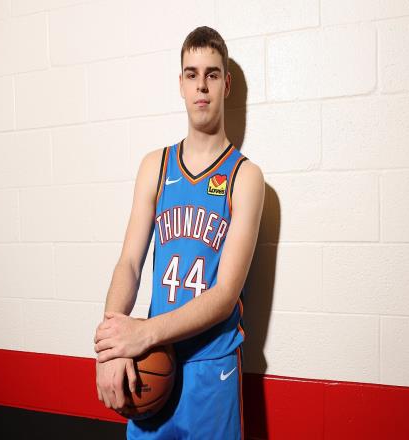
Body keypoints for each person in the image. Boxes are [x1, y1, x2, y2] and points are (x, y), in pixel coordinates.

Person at [93, 25, 265, 439]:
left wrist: (142, 333)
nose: (201, 85)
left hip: (212, 369)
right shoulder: (155, 166)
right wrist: (113, 345)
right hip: (152, 363)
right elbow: (129, 263)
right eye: (192, 74)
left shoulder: (245, 177)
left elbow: (225, 295)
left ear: (226, 85)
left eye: (211, 74)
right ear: (181, 85)